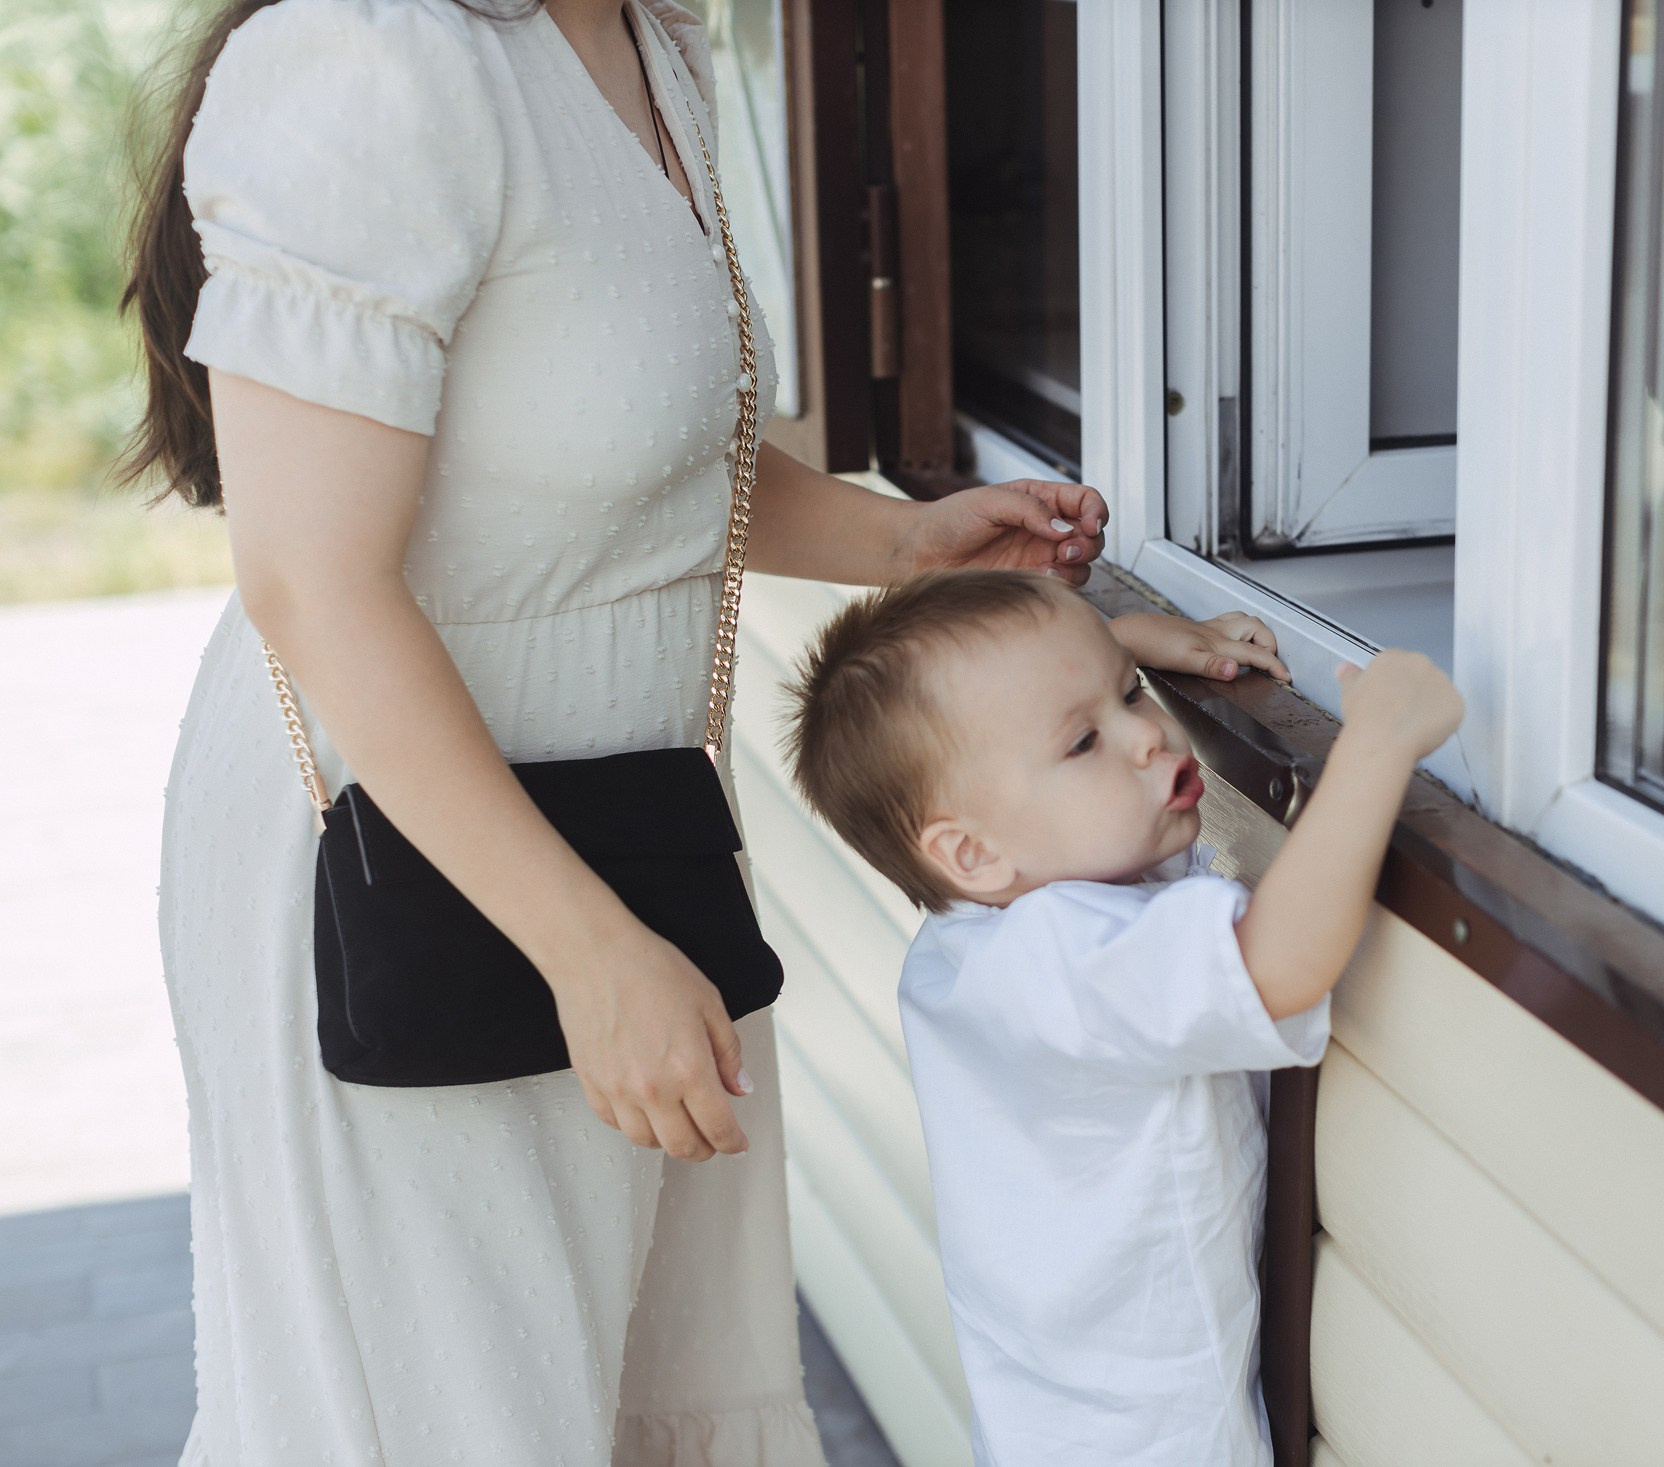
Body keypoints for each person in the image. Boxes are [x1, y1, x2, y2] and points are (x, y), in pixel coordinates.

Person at [119, 0, 1242, 1458]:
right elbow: (310, 583)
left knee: (610, 1389)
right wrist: (590, 953)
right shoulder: (377, 52)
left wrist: (913, 544)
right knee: (453, 1410)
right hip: (418, 866)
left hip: (623, 844)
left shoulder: (657, 46)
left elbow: (629, 465)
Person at [784, 571, 1465, 1466]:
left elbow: (1023, 723)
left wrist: (1129, 649)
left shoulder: (973, 938)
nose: (1146, 736)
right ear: (974, 851)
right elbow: (1282, 963)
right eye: (1084, 741)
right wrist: (1377, 743)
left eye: (1132, 694)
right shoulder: (1072, 963)